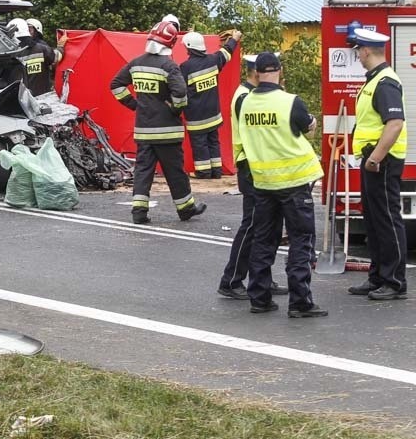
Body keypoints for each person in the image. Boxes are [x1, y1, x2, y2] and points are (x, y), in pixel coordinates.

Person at [237, 52, 326, 317]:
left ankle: (259, 298)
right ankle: (300, 302)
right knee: (301, 240)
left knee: (263, 240)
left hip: (263, 182)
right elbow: (308, 128)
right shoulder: (290, 102)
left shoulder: (245, 103)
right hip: (295, 182)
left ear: (256, 73)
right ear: (279, 71)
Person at [110, 20, 207, 224]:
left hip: (144, 131)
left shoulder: (136, 63)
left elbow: (116, 85)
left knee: (143, 172)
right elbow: (180, 93)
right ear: (170, 43)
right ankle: (186, 208)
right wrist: (175, 108)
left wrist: (134, 105)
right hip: (167, 133)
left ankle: (139, 211)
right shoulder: (169, 66)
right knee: (175, 172)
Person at [217, 54, 287, 300]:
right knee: (253, 226)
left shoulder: (249, 94)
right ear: (256, 73)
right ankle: (232, 280)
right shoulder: (246, 97)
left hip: (260, 167)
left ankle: (262, 279)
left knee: (267, 227)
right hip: (250, 167)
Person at [347, 29, 408, 300]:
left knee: (386, 221)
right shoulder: (374, 80)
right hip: (373, 160)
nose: (358, 55)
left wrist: (375, 158)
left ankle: (394, 282)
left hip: (381, 161)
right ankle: (377, 277)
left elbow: (394, 124)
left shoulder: (385, 82)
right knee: (373, 221)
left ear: (366, 51)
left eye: (358, 50)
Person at [180, 29, 241, 179]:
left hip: (197, 117)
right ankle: (216, 171)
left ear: (189, 47)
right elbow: (227, 52)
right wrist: (234, 39)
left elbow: (178, 89)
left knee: (200, 144)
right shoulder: (213, 60)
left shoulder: (186, 67)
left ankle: (203, 172)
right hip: (214, 113)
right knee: (213, 142)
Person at [9, 18, 56, 96]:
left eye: (30, 29)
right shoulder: (42, 49)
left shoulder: (12, 52)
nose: (29, 31)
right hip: (40, 95)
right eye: (28, 29)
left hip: (27, 96)